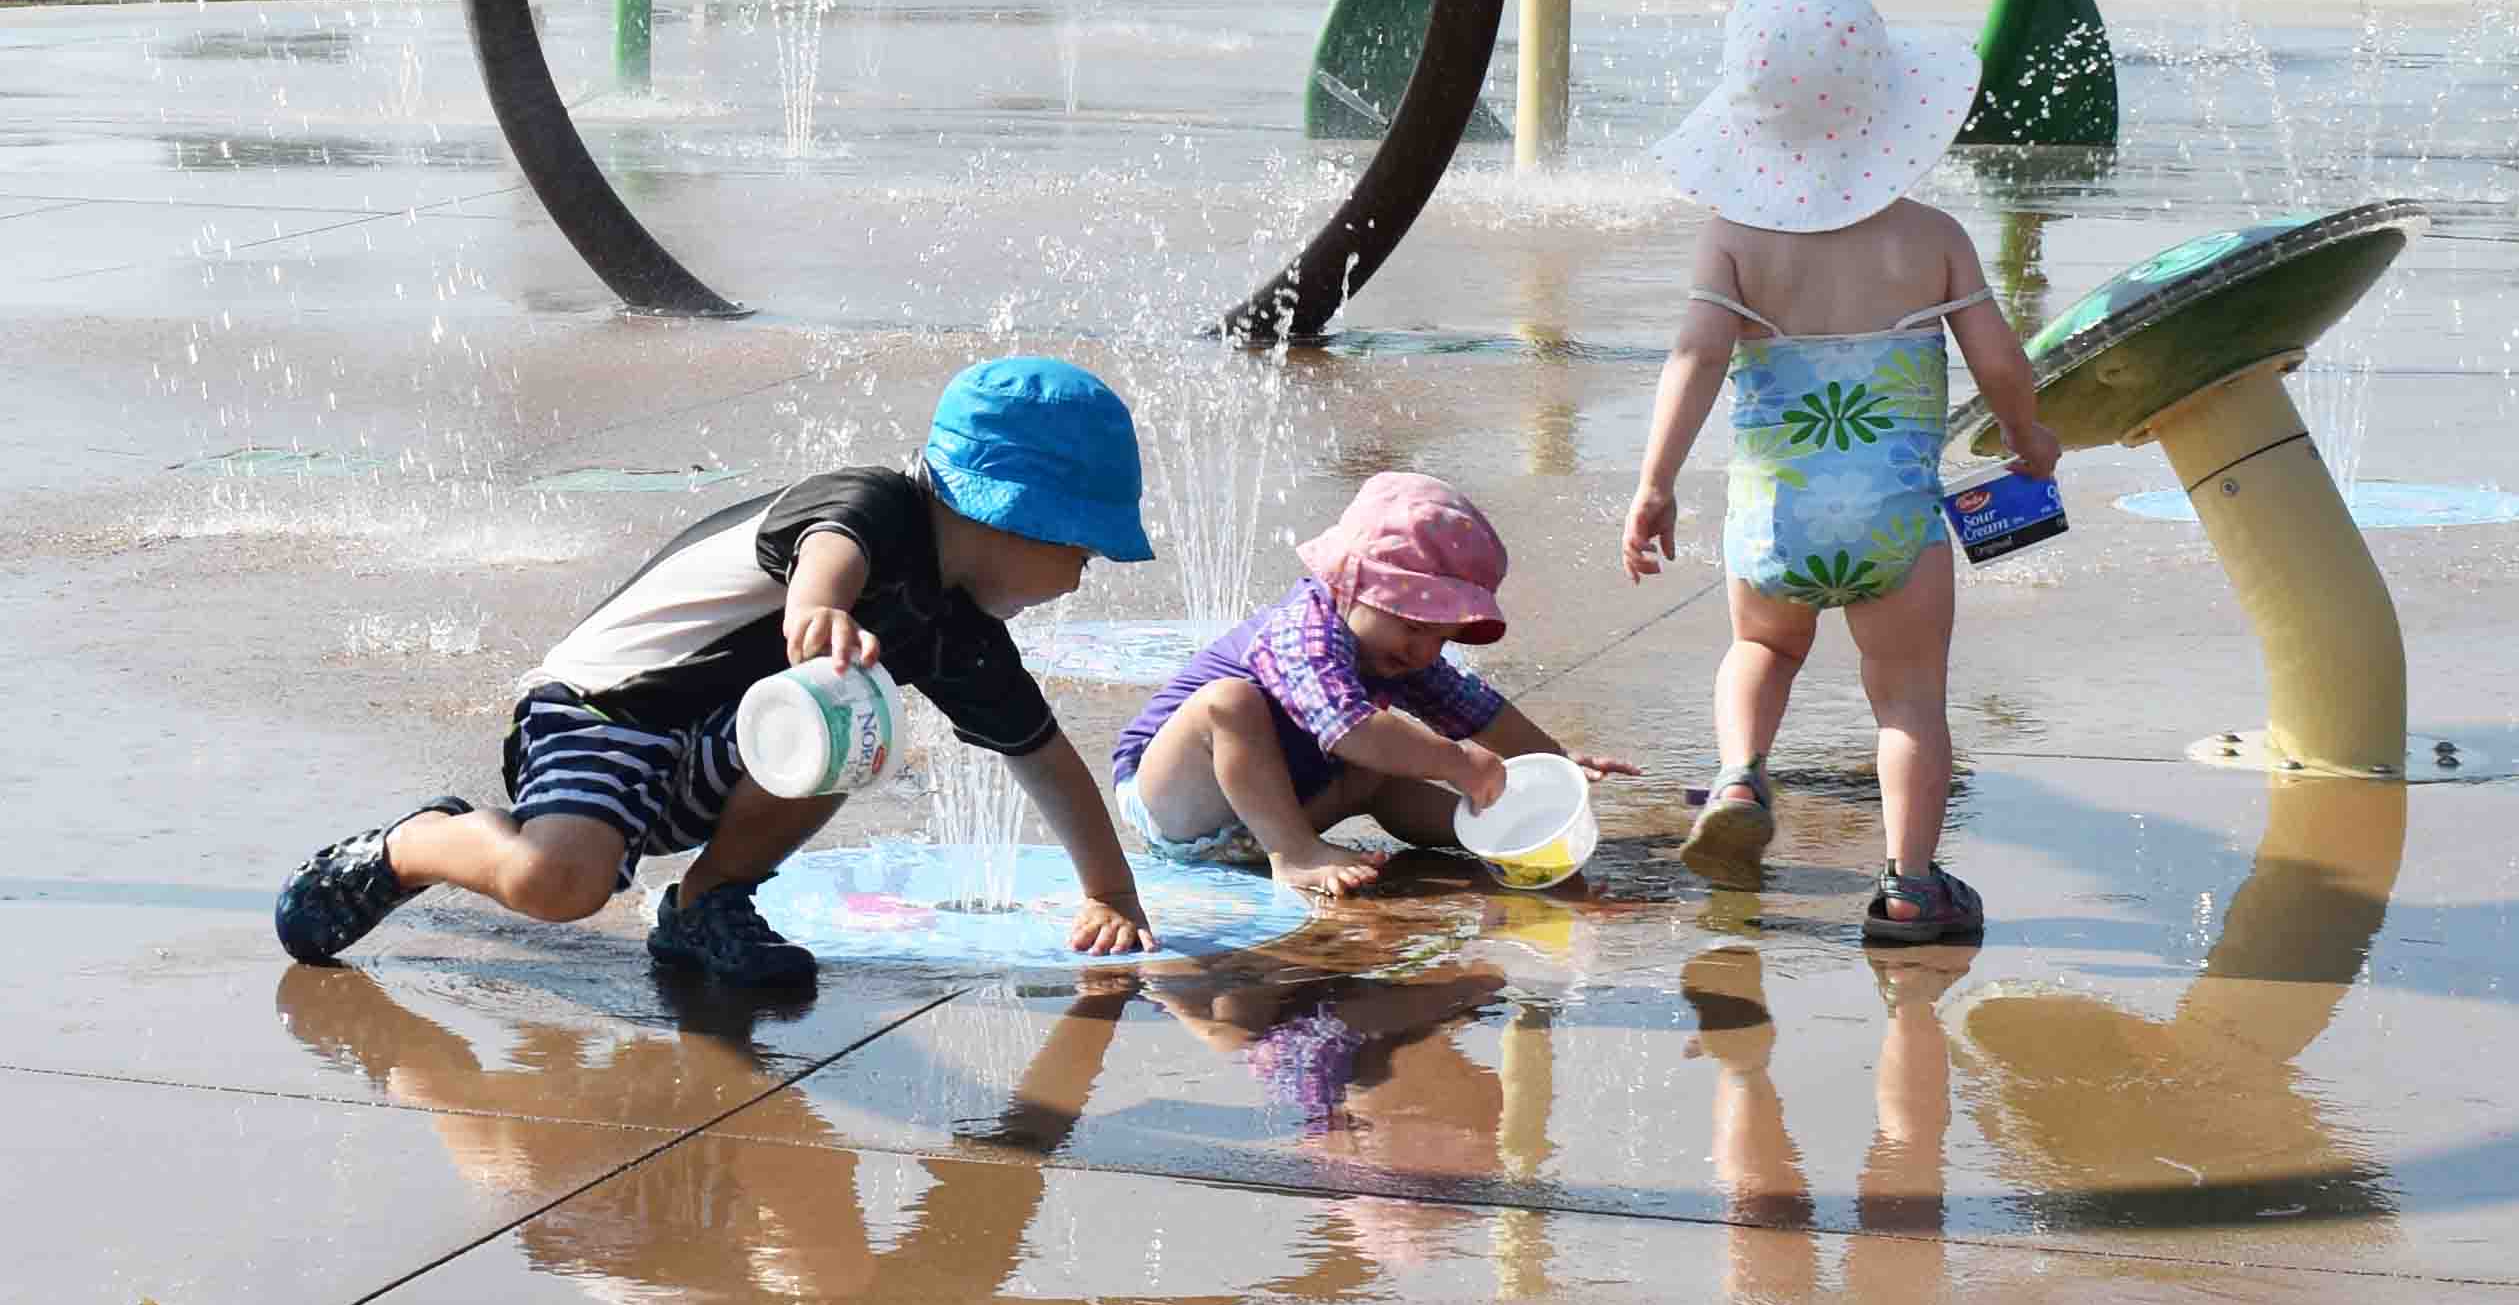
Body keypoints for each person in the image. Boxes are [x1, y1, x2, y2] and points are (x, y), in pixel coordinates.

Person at [274, 356, 1163, 987]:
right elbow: (831, 543)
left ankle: (707, 902)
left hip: (721, 751)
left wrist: (1111, 894)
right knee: (559, 886)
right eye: (1082, 548)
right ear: (1015, 520)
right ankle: (416, 844)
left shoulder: (956, 631)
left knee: (844, 724)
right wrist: (820, 603)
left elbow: (1041, 755)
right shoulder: (877, 503)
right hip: (604, 714)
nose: (1083, 573)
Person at [1622, 0, 2060, 939]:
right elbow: (1996, 358)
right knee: (1907, 702)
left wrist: (1653, 484)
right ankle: (1909, 886)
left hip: (1771, 513)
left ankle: (1738, 779)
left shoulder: (1732, 239)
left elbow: (1695, 357)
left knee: (1760, 646)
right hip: (1894, 517)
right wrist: (2027, 441)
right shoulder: (1930, 237)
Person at [1111, 471, 1633, 899]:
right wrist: (1458, 762)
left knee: (1378, 775)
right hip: (1176, 801)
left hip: (1275, 809)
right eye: (1412, 627)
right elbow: (1349, 729)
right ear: (1348, 585)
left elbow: (1479, 711)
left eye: (1442, 637)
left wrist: (1554, 764)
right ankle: (1294, 855)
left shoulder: (1397, 652)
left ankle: (1501, 837)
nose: (1424, 650)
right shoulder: (1304, 632)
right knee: (1228, 703)